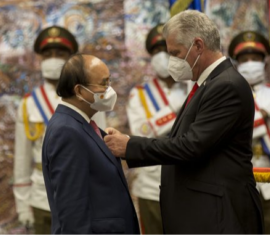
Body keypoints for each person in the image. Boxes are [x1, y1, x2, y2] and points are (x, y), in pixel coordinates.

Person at [104, 10, 264, 235]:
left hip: (219, 217)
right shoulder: (208, 84)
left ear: (198, 45)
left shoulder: (225, 85)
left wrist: (129, 145)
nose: (172, 61)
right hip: (204, 213)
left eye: (176, 53)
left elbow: (191, 146)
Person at [12, 26, 106, 234]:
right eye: (47, 54)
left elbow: (102, 149)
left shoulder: (89, 97)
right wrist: (22, 203)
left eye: (60, 54)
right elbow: (22, 159)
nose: (53, 59)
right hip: (42, 197)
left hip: (85, 195)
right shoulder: (29, 104)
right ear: (40, 58)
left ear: (71, 58)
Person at [41, 53, 140, 235]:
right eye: (103, 83)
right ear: (79, 91)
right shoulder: (67, 131)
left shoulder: (82, 125)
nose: (109, 90)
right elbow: (73, 211)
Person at [126, 23, 191, 235]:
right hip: (151, 185)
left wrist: (159, 120)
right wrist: (178, 110)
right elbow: (141, 133)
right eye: (156, 51)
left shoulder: (194, 87)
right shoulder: (140, 94)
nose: (162, 56)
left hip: (190, 181)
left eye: (166, 50)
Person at [229, 30, 270, 235]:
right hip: (240, 179)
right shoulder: (226, 95)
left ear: (264, 62)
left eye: (255, 58)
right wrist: (262, 114)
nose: (251, 63)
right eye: (245, 59)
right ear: (237, 64)